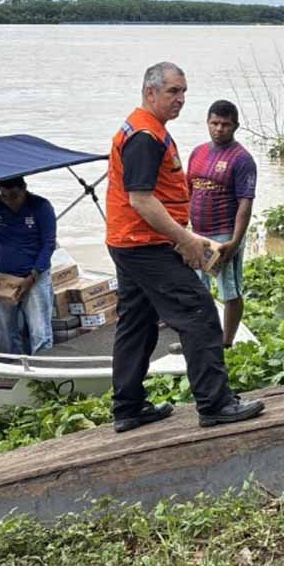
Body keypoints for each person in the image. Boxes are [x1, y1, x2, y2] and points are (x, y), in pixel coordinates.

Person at [105, 61, 263, 433]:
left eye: (184, 92)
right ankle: (215, 404)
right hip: (144, 243)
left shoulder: (149, 129)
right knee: (199, 311)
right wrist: (186, 240)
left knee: (137, 323)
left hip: (128, 241)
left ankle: (127, 407)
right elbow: (141, 200)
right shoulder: (144, 135)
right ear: (150, 92)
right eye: (173, 91)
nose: (181, 99)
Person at [187, 100, 256, 347]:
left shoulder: (242, 159)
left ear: (235, 126)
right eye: (214, 123)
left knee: (230, 290)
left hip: (225, 234)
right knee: (197, 289)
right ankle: (201, 336)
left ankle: (226, 342)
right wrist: (182, 231)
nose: (219, 129)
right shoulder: (198, 153)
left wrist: (234, 241)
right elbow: (188, 192)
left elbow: (245, 205)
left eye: (225, 124)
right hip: (197, 234)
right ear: (207, 122)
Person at [0, 176, 56, 355]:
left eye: (13, 196)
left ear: (24, 189)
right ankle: (13, 366)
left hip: (34, 277)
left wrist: (33, 275)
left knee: (40, 331)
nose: (8, 201)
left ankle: (44, 371)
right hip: (5, 276)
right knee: (5, 330)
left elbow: (49, 243)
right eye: (4, 196)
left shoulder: (41, 206)